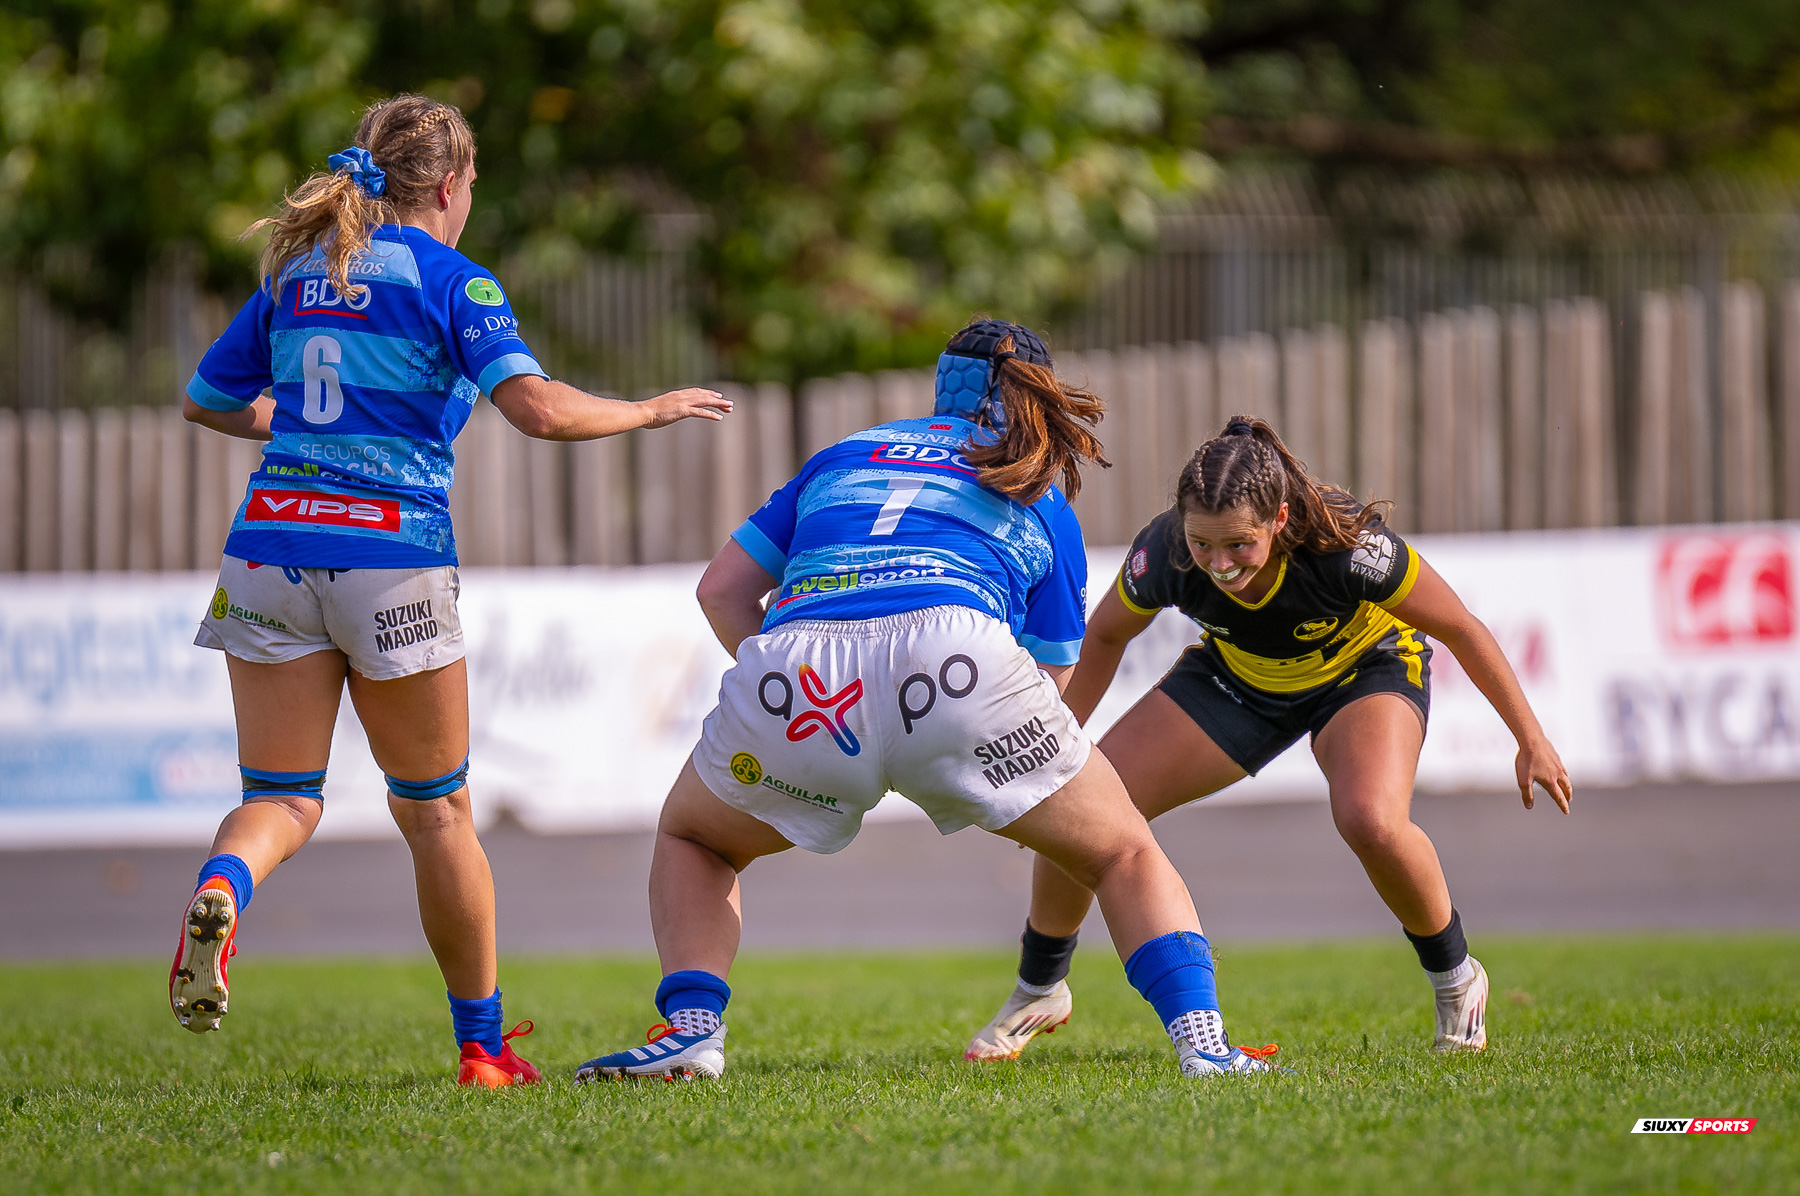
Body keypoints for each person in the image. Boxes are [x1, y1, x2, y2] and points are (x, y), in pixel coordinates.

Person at [169, 94, 731, 1088]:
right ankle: (482, 1049)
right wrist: (653, 406)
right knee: (436, 812)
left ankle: (223, 884)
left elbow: (207, 399)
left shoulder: (303, 271)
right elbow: (542, 411)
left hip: (268, 549)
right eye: (472, 183)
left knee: (282, 799)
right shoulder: (455, 282)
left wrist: (306, 431)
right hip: (390, 553)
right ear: (446, 185)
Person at [574, 320, 1279, 1084]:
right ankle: (1204, 1045)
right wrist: (1007, 770)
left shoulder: (842, 455)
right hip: (959, 663)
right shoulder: (1036, 485)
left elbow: (720, 591)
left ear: (941, 383)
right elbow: (1051, 680)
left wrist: (790, 680)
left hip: (804, 668)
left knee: (694, 840)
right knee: (1120, 849)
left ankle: (691, 1029)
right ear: (1036, 397)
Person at [964, 415, 1572, 1062]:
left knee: (1370, 819)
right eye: (1205, 545)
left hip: (1363, 670)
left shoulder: (1348, 546)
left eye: (1239, 545)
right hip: (1238, 680)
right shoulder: (1167, 549)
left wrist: (1529, 737)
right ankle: (1040, 986)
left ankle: (1457, 979)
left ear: (1280, 519)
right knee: (1080, 807)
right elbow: (1107, 634)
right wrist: (1058, 741)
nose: (1221, 565)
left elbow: (1463, 628)